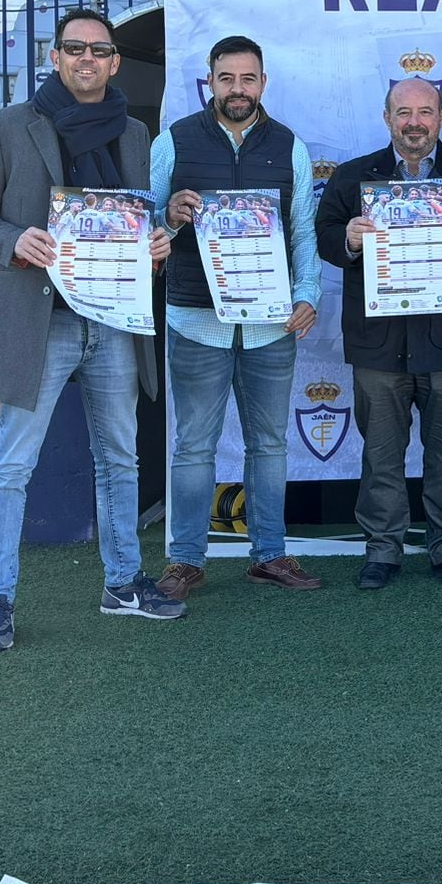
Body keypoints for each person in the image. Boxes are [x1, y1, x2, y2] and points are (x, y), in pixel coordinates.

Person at [0, 7, 180, 651]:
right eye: (73, 48)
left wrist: (156, 243)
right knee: (13, 467)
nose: (87, 59)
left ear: (114, 62)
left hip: (113, 322)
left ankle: (124, 583)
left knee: (121, 461)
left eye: (99, 50)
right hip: (38, 319)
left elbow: (137, 217)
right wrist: (12, 238)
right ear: (55, 57)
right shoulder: (7, 126)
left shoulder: (134, 133)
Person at [317, 76, 442, 590]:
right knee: (380, 454)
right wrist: (349, 239)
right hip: (377, 344)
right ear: (387, 118)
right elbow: (323, 238)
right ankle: (382, 550)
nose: (414, 122)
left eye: (424, 112)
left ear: (441, 117)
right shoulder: (353, 178)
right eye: (403, 112)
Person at [148, 35, 323, 602]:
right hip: (196, 318)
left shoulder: (290, 146)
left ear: (263, 83)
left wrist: (309, 294)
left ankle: (269, 555)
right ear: (211, 82)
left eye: (248, 79)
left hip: (272, 323)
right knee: (195, 445)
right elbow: (148, 228)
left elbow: (302, 230)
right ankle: (185, 561)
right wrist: (171, 217)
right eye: (227, 79)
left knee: (269, 444)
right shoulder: (173, 141)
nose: (238, 90)